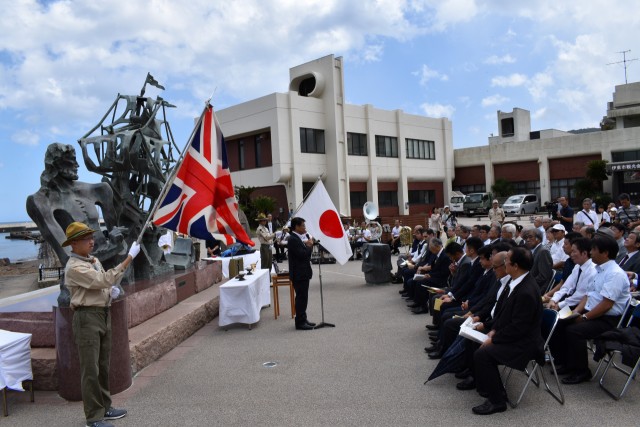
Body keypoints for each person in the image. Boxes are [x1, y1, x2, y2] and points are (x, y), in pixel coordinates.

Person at [63, 222, 140, 427]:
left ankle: (105, 407)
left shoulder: (93, 260)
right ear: (73, 243)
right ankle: (94, 417)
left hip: (102, 314)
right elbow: (102, 279)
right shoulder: (74, 267)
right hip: (87, 318)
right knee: (90, 370)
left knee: (103, 366)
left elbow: (105, 284)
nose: (91, 241)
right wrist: (129, 258)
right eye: (86, 238)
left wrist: (110, 292)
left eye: (91, 237)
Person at [469, 247, 544, 415]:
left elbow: (519, 327)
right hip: (513, 334)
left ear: (515, 266)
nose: (504, 263)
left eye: (507, 261)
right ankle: (490, 388)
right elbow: (502, 312)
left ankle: (497, 401)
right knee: (476, 342)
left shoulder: (526, 291)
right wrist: (493, 330)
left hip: (524, 343)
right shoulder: (514, 281)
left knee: (483, 354)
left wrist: (494, 339)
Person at [288, 217, 316, 330]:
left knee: (303, 297)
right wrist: (309, 246)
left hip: (303, 272)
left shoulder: (298, 238)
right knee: (301, 298)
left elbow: (306, 255)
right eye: (303, 225)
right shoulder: (293, 239)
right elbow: (302, 255)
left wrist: (308, 246)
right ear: (297, 227)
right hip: (299, 274)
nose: (305, 228)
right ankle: (299, 322)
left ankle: (303, 318)